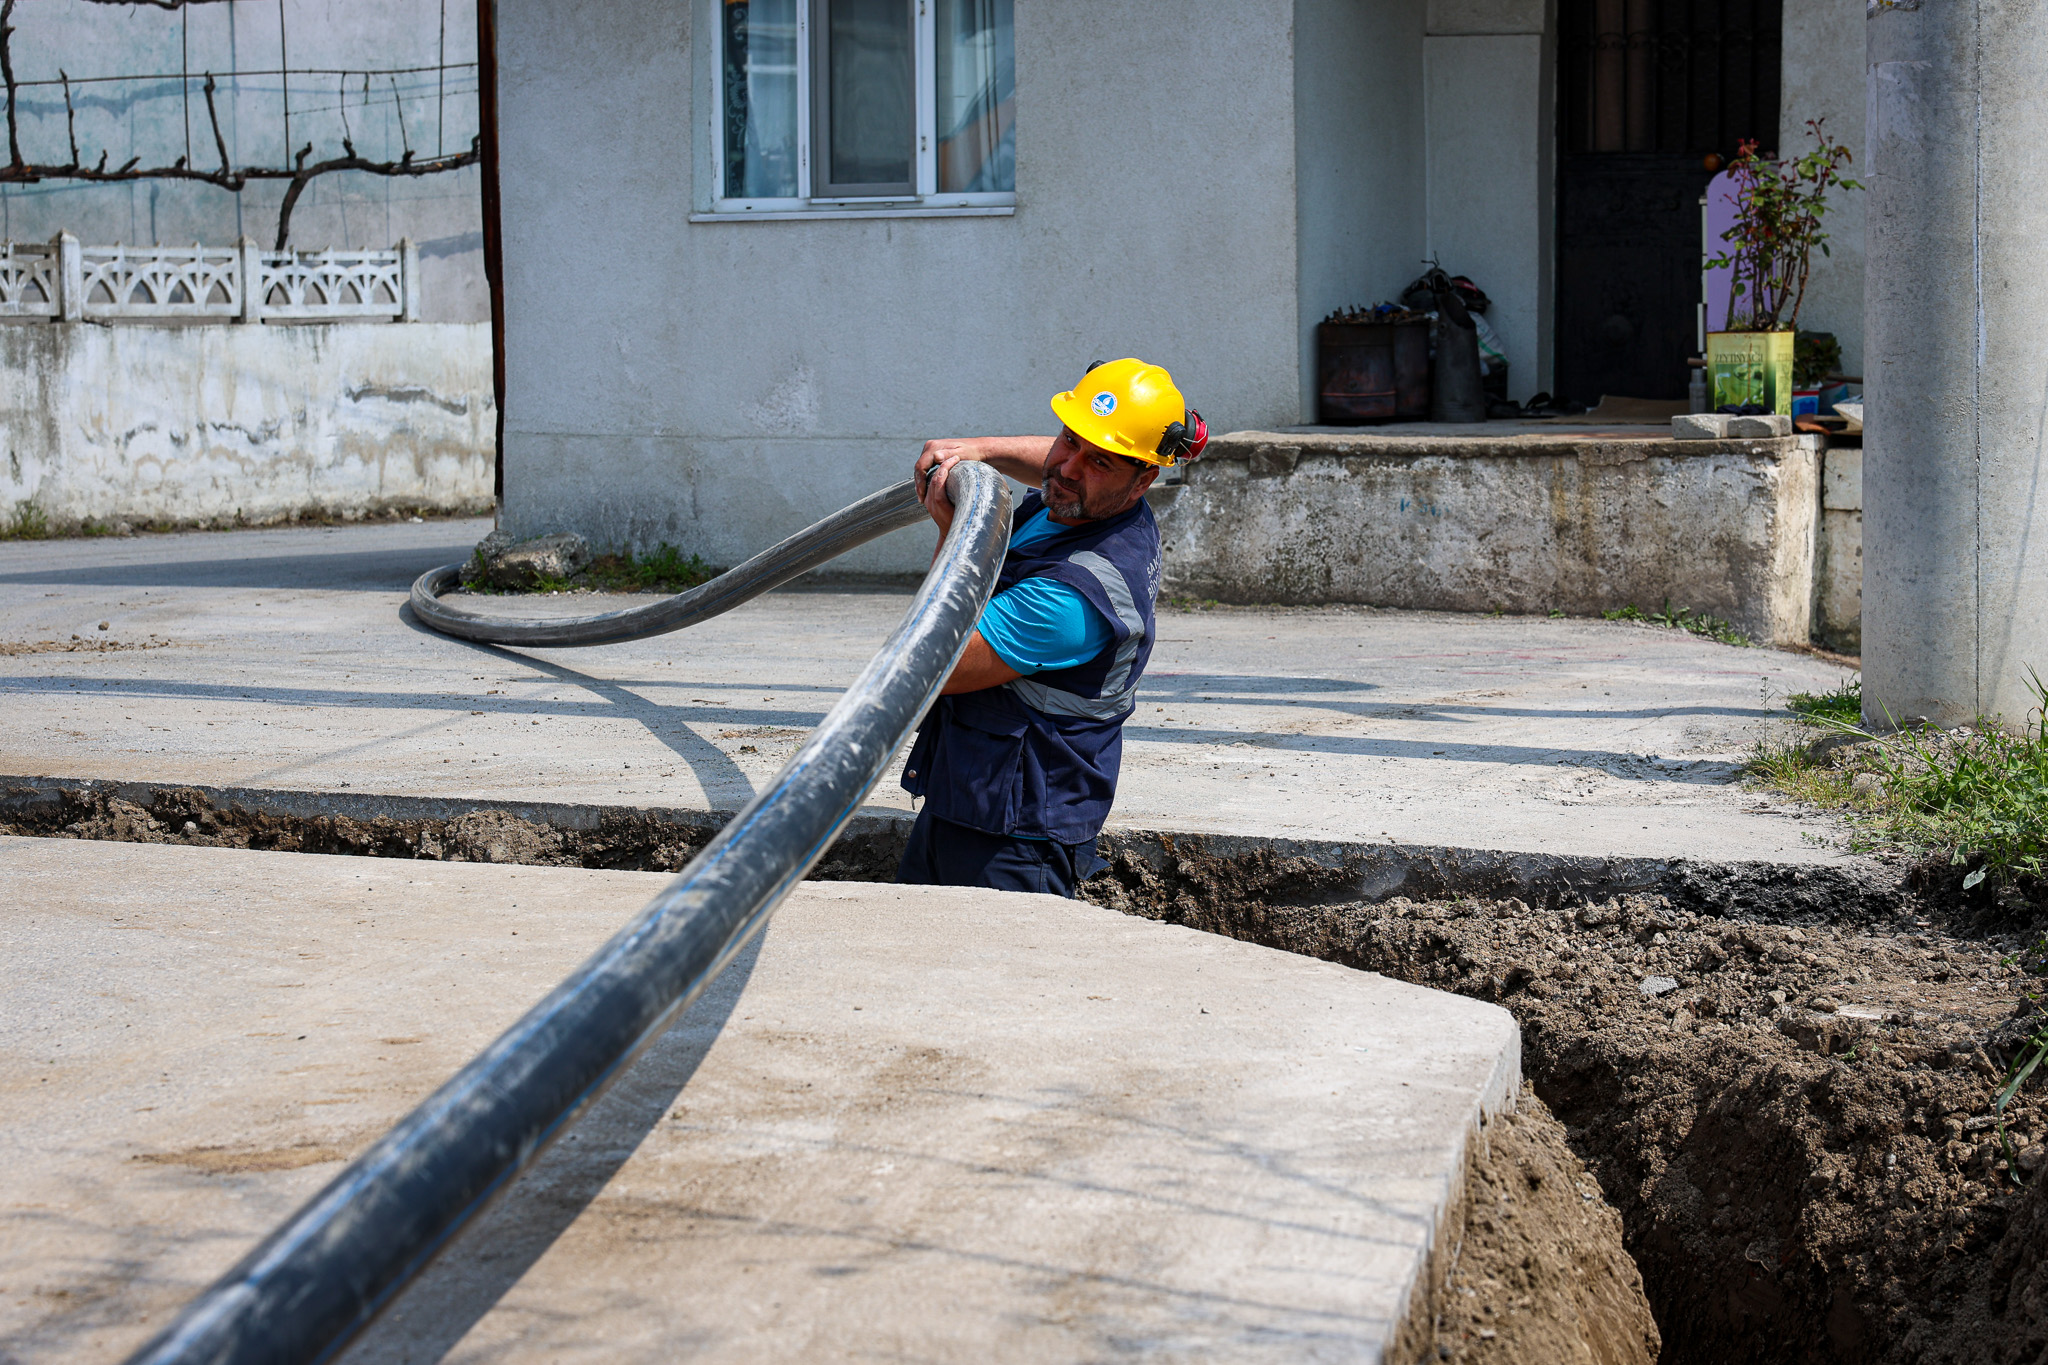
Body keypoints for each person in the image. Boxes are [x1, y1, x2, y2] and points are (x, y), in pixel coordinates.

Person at [898, 357, 1207, 896]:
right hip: (966, 798)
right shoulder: (1088, 500)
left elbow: (931, 664)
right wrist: (979, 451)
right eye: (1069, 438)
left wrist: (952, 535)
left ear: (1143, 481)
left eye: (1099, 461)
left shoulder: (1073, 598)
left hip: (1016, 837)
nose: (1066, 468)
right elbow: (1071, 460)